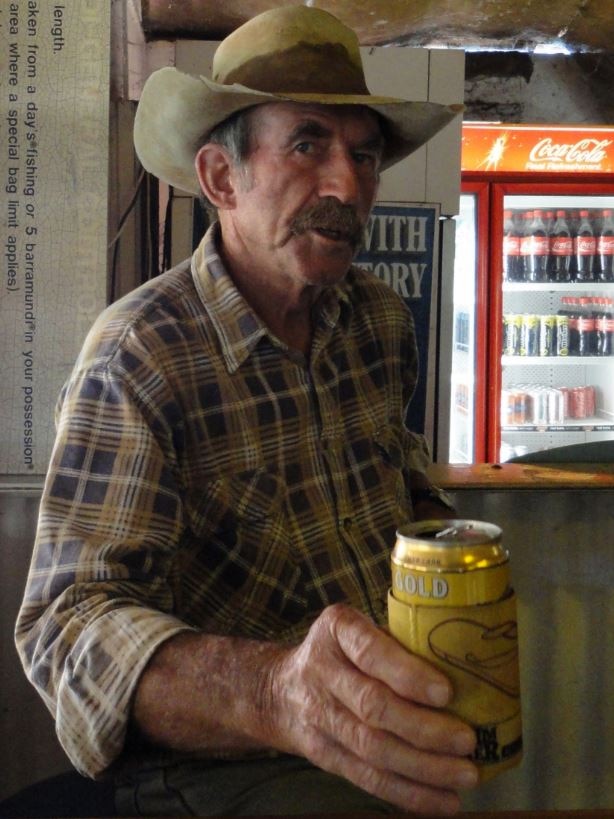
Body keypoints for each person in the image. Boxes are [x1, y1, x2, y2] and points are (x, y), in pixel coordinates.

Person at [15, 6, 477, 816]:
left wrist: (449, 554)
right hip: (208, 767)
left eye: (364, 155)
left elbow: (397, 476)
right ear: (222, 180)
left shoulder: (376, 320)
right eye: (307, 145)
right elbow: (68, 628)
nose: (347, 185)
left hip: (373, 739)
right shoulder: (141, 355)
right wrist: (280, 694)